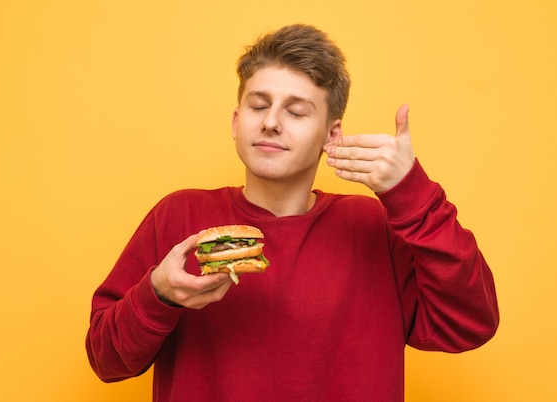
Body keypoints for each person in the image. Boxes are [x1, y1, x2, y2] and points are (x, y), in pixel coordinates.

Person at [86, 24, 499, 401]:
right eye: (257, 106)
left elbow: (469, 323)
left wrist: (411, 192)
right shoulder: (178, 216)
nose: (270, 122)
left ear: (331, 135)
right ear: (235, 121)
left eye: (296, 111)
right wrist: (157, 293)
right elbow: (106, 361)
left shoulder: (372, 227)